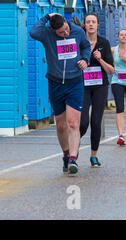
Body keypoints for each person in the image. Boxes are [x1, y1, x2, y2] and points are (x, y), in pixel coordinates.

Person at [30, 13, 91, 175]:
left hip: (75, 82)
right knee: (61, 124)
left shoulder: (77, 31)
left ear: (66, 22)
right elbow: (33, 32)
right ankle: (65, 154)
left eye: (65, 30)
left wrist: (85, 59)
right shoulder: (47, 34)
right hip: (55, 83)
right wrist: (46, 17)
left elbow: (86, 46)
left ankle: (73, 159)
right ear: (53, 30)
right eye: (61, 33)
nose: (65, 34)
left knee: (72, 123)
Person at [79, 13, 115, 168]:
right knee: (83, 122)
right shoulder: (80, 41)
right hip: (83, 86)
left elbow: (111, 70)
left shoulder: (104, 43)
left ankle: (94, 155)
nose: (91, 24)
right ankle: (73, 151)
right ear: (85, 25)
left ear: (98, 25)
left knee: (95, 121)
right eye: (88, 22)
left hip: (100, 86)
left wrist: (100, 59)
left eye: (94, 22)